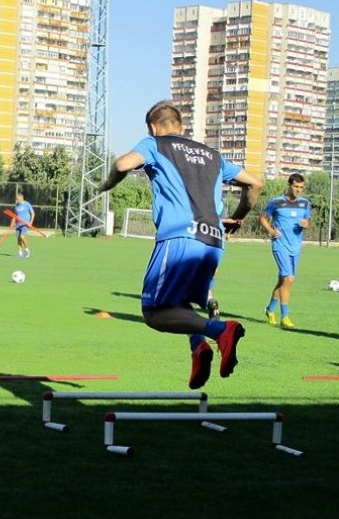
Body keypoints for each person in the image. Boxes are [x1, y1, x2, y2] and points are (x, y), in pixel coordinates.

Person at [98, 101, 263, 390]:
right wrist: (236, 218)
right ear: (182, 127)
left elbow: (123, 163)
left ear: (152, 126)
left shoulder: (155, 144)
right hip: (214, 240)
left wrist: (107, 184)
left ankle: (220, 330)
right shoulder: (213, 155)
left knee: (155, 313)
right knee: (179, 302)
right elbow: (255, 184)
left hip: (179, 238)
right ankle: (198, 347)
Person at [260, 173, 311, 330]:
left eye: (301, 187)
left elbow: (308, 221)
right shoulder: (276, 202)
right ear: (289, 185)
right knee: (288, 279)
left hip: (295, 247)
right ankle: (285, 317)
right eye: (296, 187)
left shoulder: (305, 203)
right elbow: (263, 218)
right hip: (280, 245)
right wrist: (271, 230)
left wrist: (305, 223)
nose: (298, 190)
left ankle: (269, 310)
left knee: (284, 281)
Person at [11, 192, 35, 258]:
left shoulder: (27, 204)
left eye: (18, 199)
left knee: (22, 237)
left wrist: (30, 222)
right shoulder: (16, 206)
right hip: (18, 224)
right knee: (18, 239)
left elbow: (33, 213)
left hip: (25, 224)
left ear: (22, 198)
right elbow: (15, 215)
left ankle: (27, 250)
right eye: (16, 199)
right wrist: (12, 223)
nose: (17, 200)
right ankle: (20, 253)